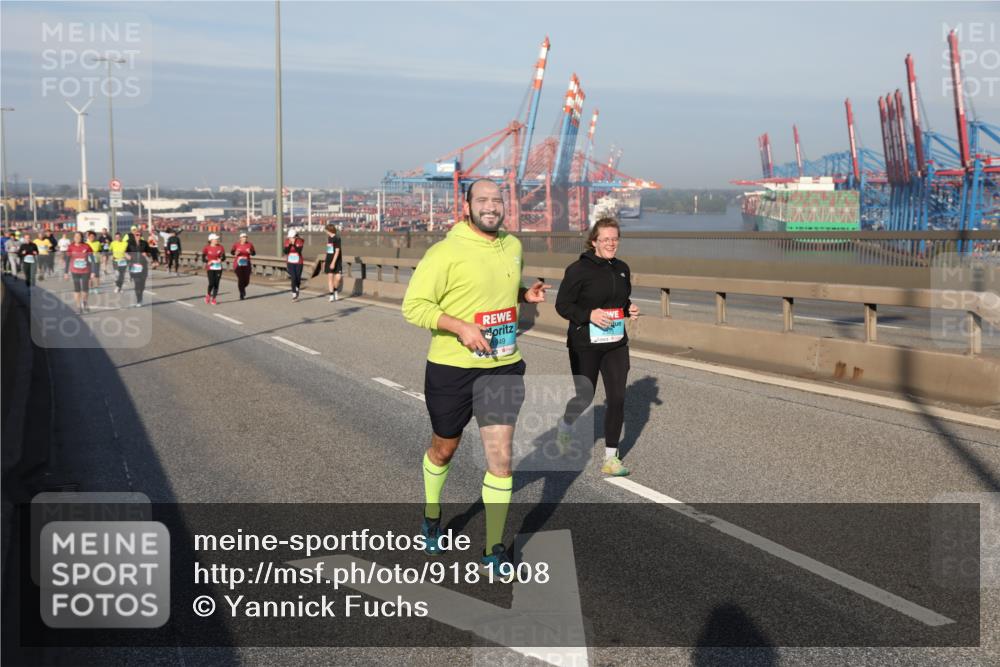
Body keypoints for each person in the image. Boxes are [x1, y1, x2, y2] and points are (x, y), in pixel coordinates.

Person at [402, 178, 549, 576]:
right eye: (482, 200)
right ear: (466, 207)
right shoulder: (444, 252)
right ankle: (432, 515)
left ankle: (493, 549)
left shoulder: (513, 246)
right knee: (444, 449)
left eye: (497, 200)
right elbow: (414, 306)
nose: (491, 206)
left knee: (500, 460)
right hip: (451, 369)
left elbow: (497, 287)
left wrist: (523, 294)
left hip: (502, 366)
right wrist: (459, 326)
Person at [554, 218, 640, 477]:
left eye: (615, 239)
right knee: (585, 396)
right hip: (585, 343)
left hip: (615, 343)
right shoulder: (578, 270)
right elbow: (563, 305)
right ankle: (566, 424)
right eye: (606, 239)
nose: (611, 243)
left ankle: (611, 458)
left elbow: (620, 301)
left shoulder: (622, 268)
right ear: (594, 241)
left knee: (617, 398)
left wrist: (629, 308)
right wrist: (589, 315)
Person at [66, 232, 93, 313]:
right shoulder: (71, 247)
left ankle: (84, 302)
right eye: (76, 236)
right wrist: (65, 272)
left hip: (85, 270)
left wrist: (93, 271)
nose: (77, 238)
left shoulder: (87, 246)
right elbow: (67, 260)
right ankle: (78, 306)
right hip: (75, 271)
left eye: (79, 236)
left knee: (85, 289)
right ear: (73, 238)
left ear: (81, 237)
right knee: (77, 289)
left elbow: (92, 259)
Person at [230, 232, 256, 300]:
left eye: (246, 237)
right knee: (241, 279)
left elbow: (254, 253)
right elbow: (232, 252)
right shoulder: (236, 245)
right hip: (238, 264)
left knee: (246, 281)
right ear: (240, 238)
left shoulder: (250, 244)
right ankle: (241, 293)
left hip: (246, 264)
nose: (245, 238)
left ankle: (243, 288)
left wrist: (250, 252)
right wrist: (235, 253)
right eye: (243, 237)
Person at [127, 233, 151, 307]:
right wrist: (127, 256)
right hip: (134, 266)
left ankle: (141, 296)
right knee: (137, 284)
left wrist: (146, 254)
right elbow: (125, 252)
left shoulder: (145, 243)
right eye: (136, 235)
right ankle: (139, 300)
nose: (138, 236)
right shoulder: (130, 243)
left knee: (142, 285)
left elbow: (149, 253)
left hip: (143, 266)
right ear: (134, 236)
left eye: (139, 235)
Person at [201, 233, 225, 305]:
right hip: (210, 267)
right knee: (211, 283)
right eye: (215, 239)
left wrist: (221, 259)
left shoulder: (221, 247)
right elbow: (203, 258)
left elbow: (224, 257)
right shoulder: (206, 248)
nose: (217, 240)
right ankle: (208, 295)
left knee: (216, 283)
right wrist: (208, 262)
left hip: (218, 267)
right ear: (211, 240)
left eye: (217, 239)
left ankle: (214, 298)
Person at [283, 228, 305, 301]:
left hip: (299, 262)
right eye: (289, 237)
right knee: (293, 277)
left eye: (291, 237)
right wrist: (289, 244)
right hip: (290, 262)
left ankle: (297, 287)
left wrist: (294, 244)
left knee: (298, 277)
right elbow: (286, 251)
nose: (290, 238)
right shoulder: (287, 241)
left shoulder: (300, 241)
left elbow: (299, 251)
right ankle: (294, 294)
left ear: (295, 237)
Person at [324, 223, 343, 301]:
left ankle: (335, 289)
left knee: (338, 278)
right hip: (329, 260)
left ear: (329, 230)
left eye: (326, 230)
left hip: (336, 261)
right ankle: (331, 295)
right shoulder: (329, 238)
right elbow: (328, 251)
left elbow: (337, 251)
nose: (325, 231)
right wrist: (326, 260)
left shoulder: (337, 238)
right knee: (330, 278)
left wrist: (333, 262)